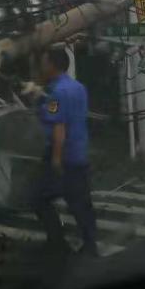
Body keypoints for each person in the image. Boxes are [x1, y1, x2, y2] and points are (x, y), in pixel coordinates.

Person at [29, 45, 97, 256]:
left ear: (52, 65)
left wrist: (56, 159)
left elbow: (59, 126)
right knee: (80, 203)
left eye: (44, 62)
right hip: (79, 152)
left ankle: (57, 242)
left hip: (62, 155)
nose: (42, 66)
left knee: (38, 199)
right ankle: (89, 245)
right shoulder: (78, 87)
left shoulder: (57, 93)